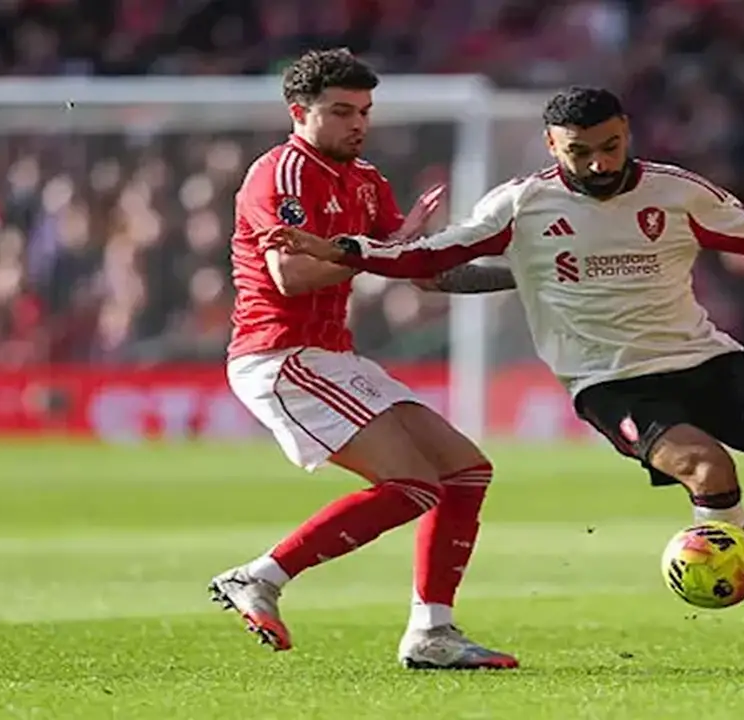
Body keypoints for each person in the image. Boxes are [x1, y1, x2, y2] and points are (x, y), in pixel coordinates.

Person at [267, 86, 744, 673]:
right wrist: (347, 251)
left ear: (628, 136)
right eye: (580, 151)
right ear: (552, 145)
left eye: (611, 147)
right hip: (611, 383)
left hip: (703, 356)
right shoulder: (520, 205)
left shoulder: (676, 193)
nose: (598, 163)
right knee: (707, 470)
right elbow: (428, 257)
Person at [212, 47, 519, 671]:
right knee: (411, 485)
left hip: (329, 355)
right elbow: (292, 273)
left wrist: (526, 278)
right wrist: (371, 250)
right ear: (299, 112)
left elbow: (423, 276)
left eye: (365, 111)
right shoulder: (284, 174)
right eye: (342, 111)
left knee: (466, 471)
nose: (358, 123)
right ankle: (261, 577)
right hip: (280, 354)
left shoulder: (366, 180)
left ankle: (432, 632)